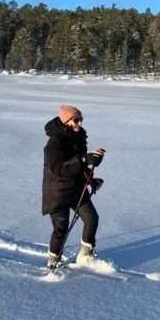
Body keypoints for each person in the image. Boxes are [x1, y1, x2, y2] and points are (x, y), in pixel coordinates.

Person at [42, 105, 104, 268]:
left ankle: (85, 255)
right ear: (66, 121)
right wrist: (85, 159)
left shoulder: (78, 138)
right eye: (76, 120)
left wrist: (90, 178)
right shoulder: (53, 144)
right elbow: (59, 170)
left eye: (81, 119)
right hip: (57, 190)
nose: (80, 124)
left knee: (92, 219)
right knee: (61, 228)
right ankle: (53, 261)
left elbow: (80, 165)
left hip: (76, 187)